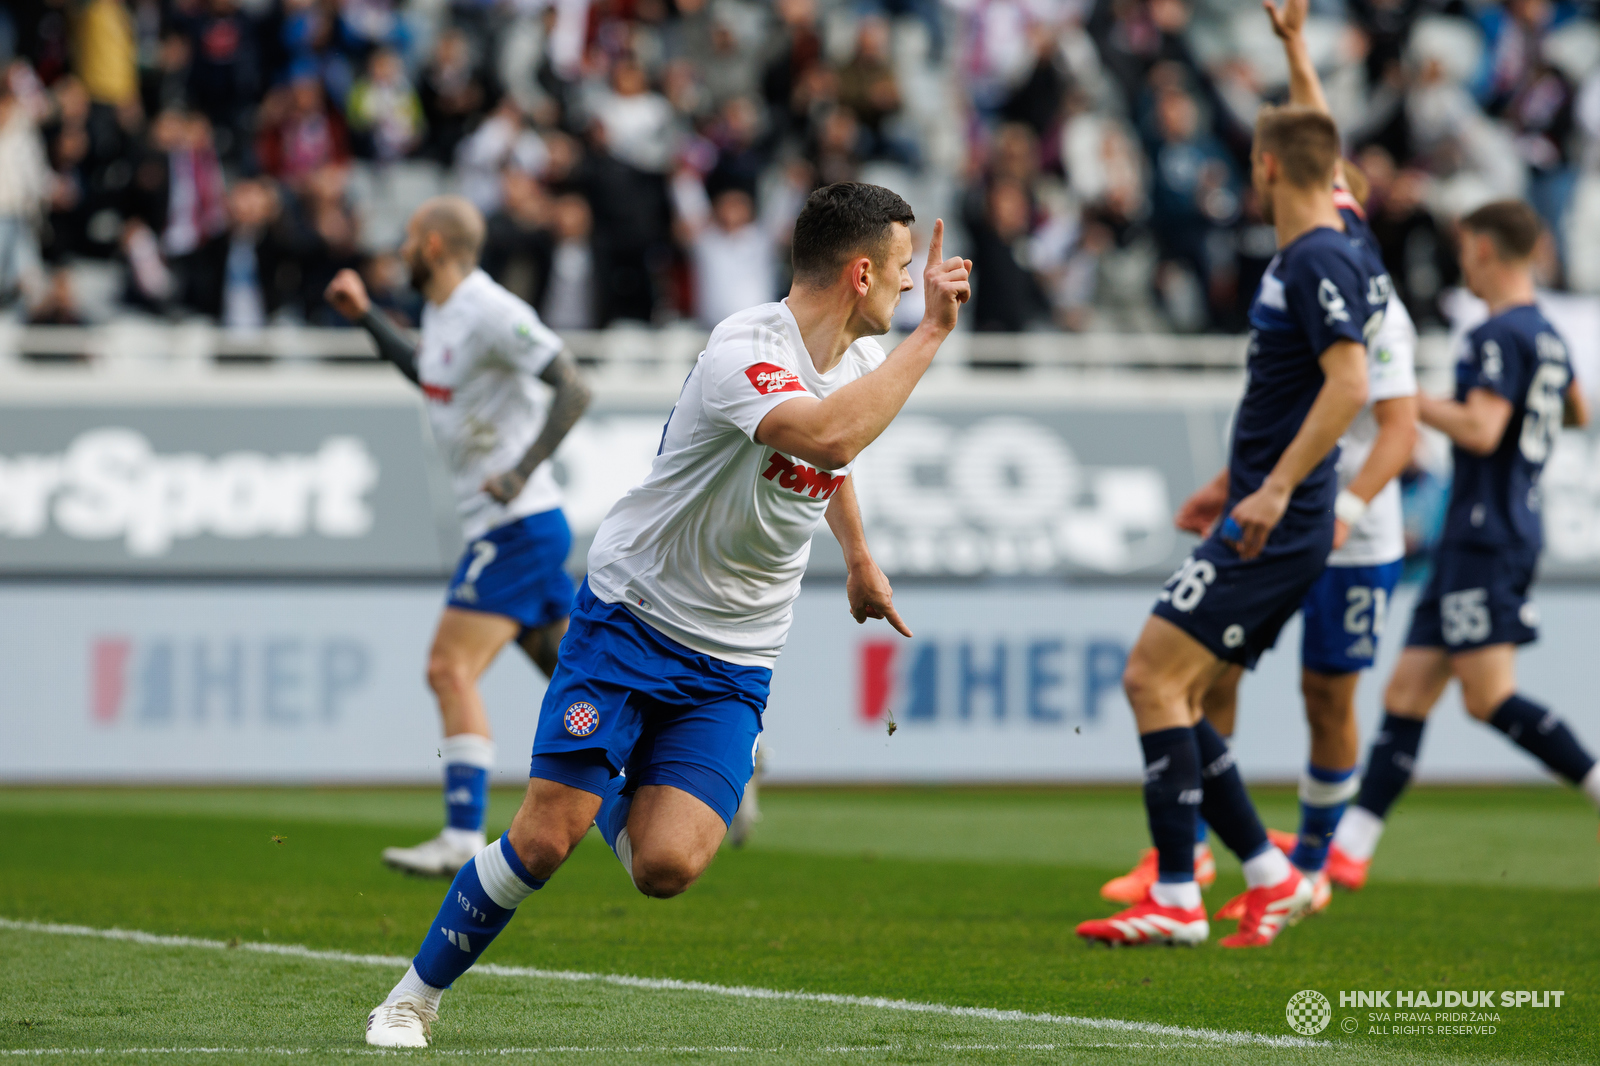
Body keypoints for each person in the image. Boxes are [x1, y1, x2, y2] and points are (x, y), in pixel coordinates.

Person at [363, 182, 972, 1047]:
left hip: (736, 657)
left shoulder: (858, 368)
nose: (911, 288)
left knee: (667, 866)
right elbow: (827, 437)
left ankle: (620, 765)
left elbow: (839, 457)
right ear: (861, 271)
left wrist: (861, 559)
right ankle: (411, 999)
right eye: (904, 271)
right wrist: (936, 334)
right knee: (543, 841)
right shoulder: (745, 348)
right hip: (634, 619)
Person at [1098, 0, 1419, 918]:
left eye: (1256, 158)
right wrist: (1293, 49)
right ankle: (1268, 875)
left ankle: (1186, 886)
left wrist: (1272, 487)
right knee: (1190, 687)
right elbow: (1319, 140)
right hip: (1281, 503)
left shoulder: (1320, 260)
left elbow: (1354, 389)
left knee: (1160, 679)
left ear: (1269, 167)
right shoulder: (1344, 231)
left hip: (1296, 512)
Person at [1325, 198, 1600, 889]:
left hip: (1485, 533)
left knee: (1486, 696)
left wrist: (1405, 398)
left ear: (1482, 247)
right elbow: (1577, 410)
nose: (1461, 263)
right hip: (1489, 529)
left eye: (1464, 248)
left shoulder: (1494, 332)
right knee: (1407, 690)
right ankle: (1350, 849)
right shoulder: (1547, 333)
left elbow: (1480, 429)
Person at [325, 196, 592, 877]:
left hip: (516, 524)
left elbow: (573, 386)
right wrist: (367, 320)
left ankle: (461, 834)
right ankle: (707, 759)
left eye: (410, 238)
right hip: (515, 527)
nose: (401, 249)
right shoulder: (445, 314)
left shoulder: (490, 309)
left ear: (436, 246)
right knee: (582, 685)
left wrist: (519, 470)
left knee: (449, 668)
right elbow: (429, 375)